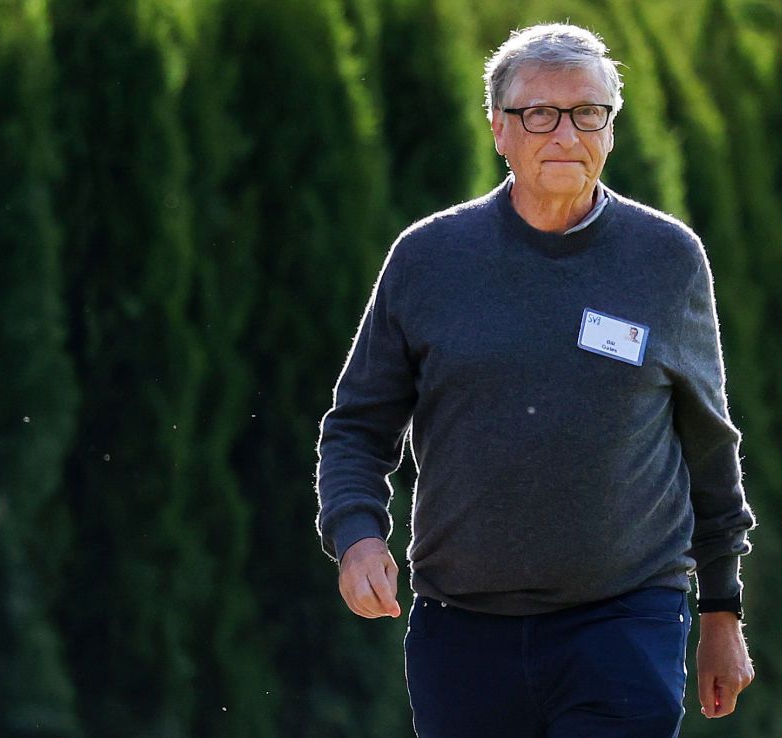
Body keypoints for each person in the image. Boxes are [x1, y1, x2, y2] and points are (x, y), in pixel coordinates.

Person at [315, 23, 755, 738]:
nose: (564, 133)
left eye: (588, 113)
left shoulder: (666, 260)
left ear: (611, 130)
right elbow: (358, 427)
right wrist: (358, 534)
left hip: (624, 619)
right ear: (498, 130)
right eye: (538, 114)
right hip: (461, 628)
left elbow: (708, 444)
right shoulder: (429, 259)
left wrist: (722, 613)